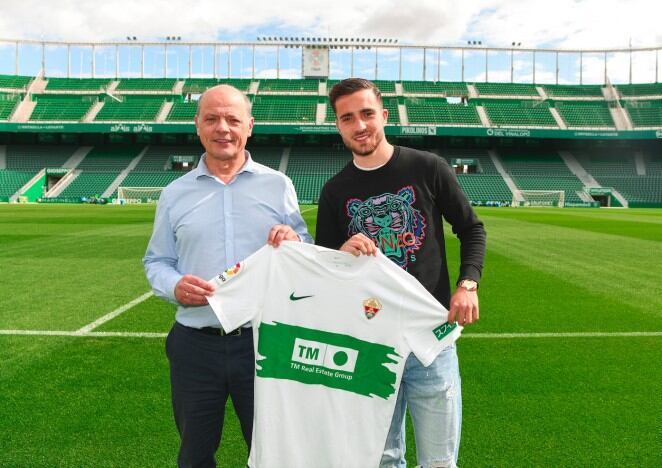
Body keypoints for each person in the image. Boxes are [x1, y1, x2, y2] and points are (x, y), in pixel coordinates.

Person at [315, 78, 486, 468]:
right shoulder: (335, 191)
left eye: (366, 113)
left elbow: (471, 228)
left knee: (440, 461)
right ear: (338, 125)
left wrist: (467, 284)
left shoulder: (427, 168)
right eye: (347, 118)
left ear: (384, 115)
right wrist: (342, 253)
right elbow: (326, 271)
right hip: (371, 339)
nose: (359, 125)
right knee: (384, 459)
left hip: (432, 335)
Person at [143, 84, 312, 468]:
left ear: (249, 126)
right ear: (198, 126)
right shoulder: (174, 194)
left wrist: (294, 240)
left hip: (264, 341)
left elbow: (304, 248)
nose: (223, 128)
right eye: (212, 119)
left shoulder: (278, 185)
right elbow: (156, 261)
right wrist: (174, 286)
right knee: (195, 454)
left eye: (233, 119)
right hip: (194, 345)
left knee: (273, 452)